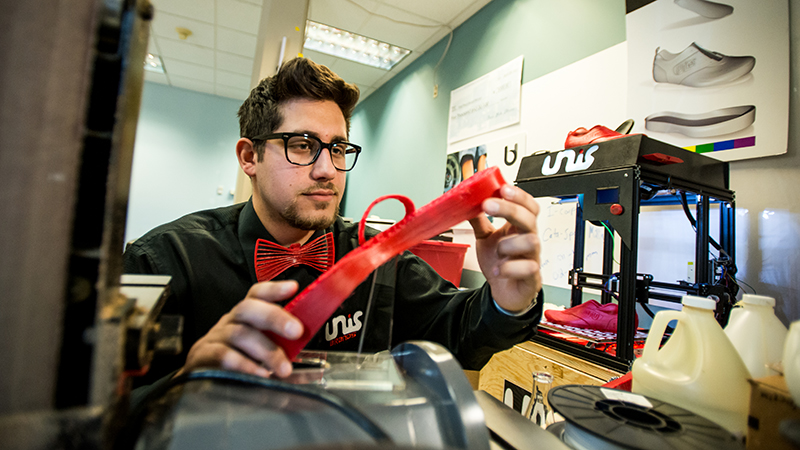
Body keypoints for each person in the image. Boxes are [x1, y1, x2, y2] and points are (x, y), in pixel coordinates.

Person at [123, 58, 543, 387]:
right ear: (250, 157)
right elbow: (94, 406)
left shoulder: (375, 255)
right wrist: (186, 377)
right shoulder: (164, 260)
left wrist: (507, 300)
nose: (328, 169)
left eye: (338, 148)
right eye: (302, 145)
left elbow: (459, 330)